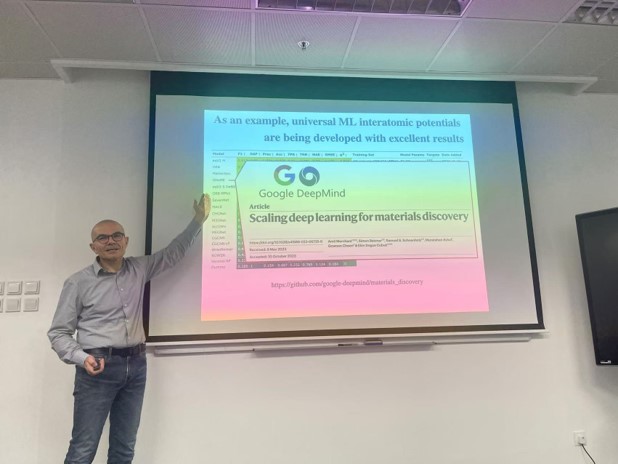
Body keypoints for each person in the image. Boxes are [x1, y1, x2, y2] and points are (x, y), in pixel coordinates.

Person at [48, 194, 211, 464]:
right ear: (93, 246)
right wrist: (82, 358)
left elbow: (173, 253)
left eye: (116, 235)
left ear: (126, 241)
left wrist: (198, 221)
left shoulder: (139, 268)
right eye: (102, 238)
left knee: (124, 449)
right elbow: (58, 333)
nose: (110, 241)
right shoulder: (78, 283)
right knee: (83, 449)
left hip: (136, 365)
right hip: (97, 366)